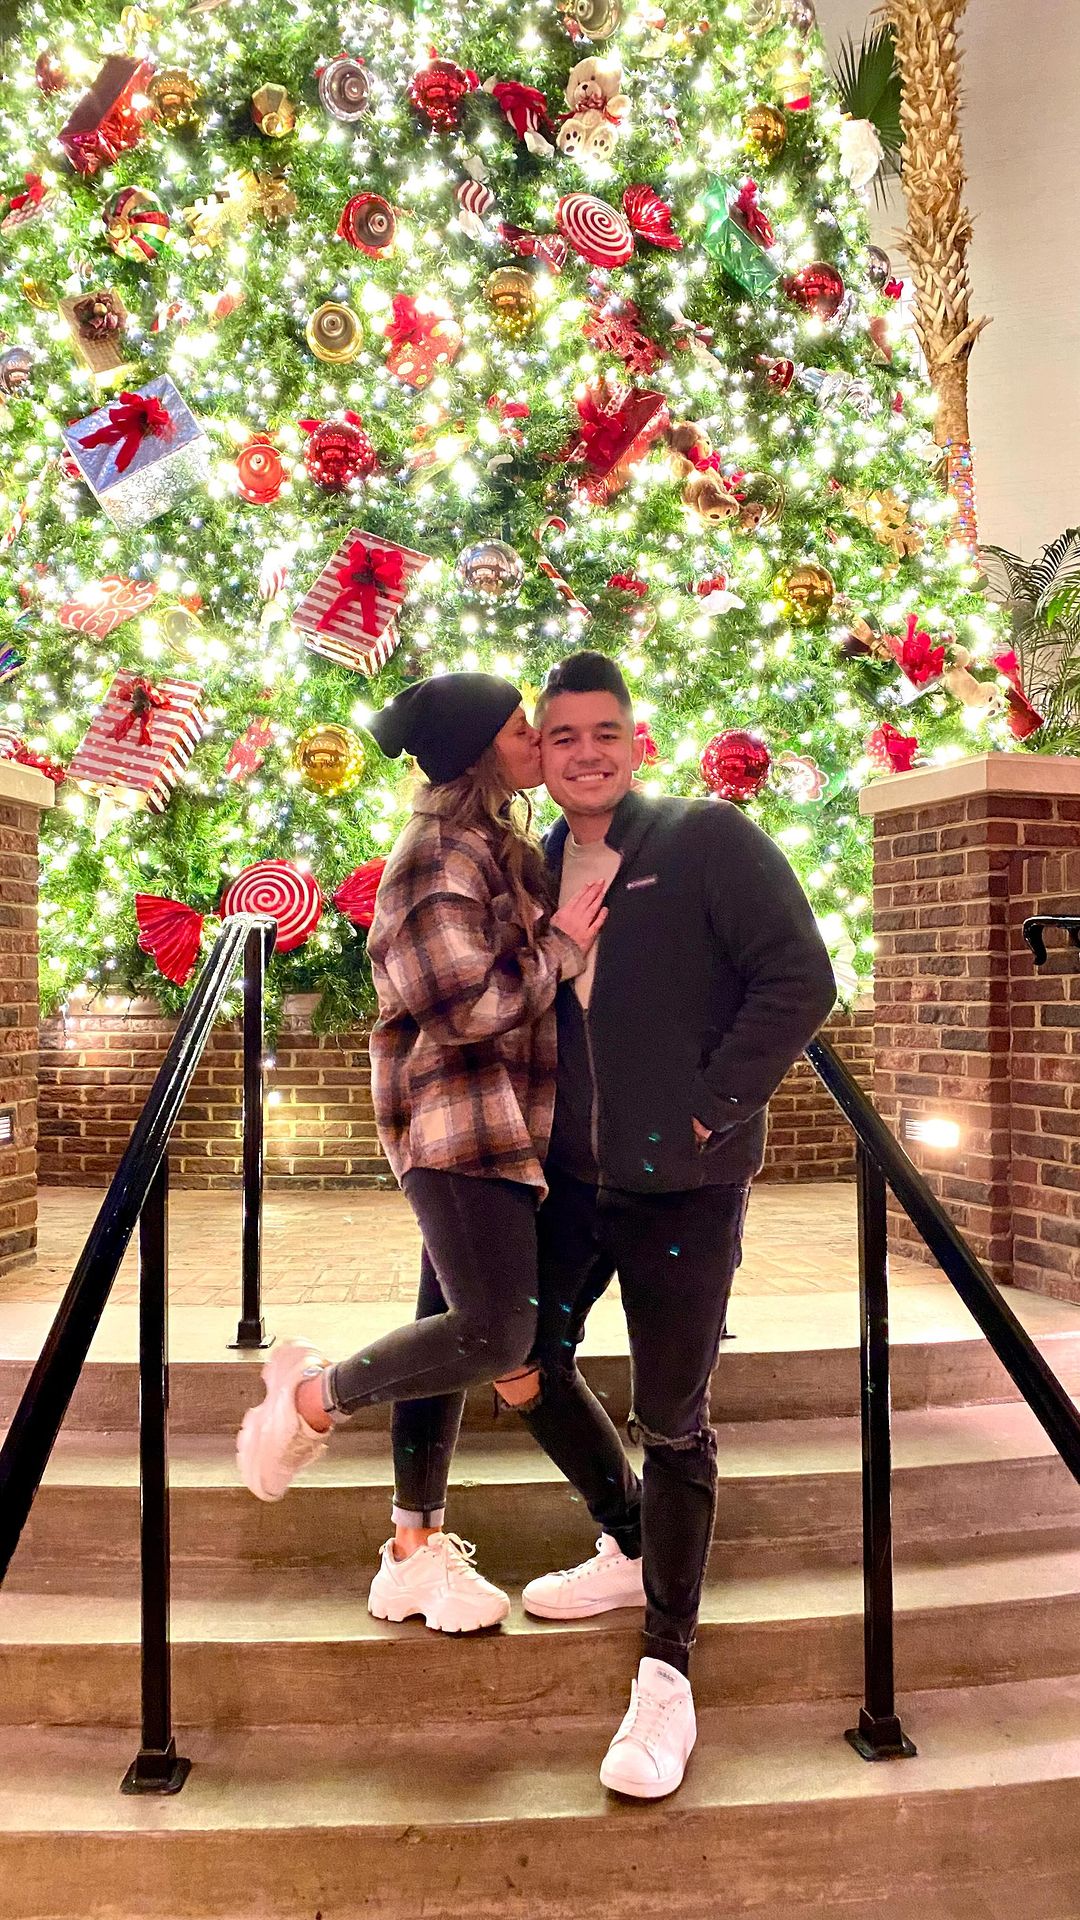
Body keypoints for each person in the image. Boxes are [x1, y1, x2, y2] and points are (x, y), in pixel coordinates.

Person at [496, 651, 837, 1798]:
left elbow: (798, 978)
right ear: (541, 754)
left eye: (606, 731)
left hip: (686, 1185)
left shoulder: (707, 841)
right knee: (519, 1355)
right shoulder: (528, 866)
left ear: (637, 741)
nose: (585, 753)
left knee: (674, 1420)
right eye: (562, 736)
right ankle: (629, 1539)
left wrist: (709, 1104)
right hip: (565, 1182)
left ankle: (667, 1669)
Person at [237, 672, 608, 1634]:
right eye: (522, 728)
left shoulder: (492, 845)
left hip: (503, 1123)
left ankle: (412, 1553)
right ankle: (308, 1399)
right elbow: (459, 1007)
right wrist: (561, 948)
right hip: (456, 1122)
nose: (537, 740)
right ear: (482, 750)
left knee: (449, 1327)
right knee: (496, 1335)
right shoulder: (436, 855)